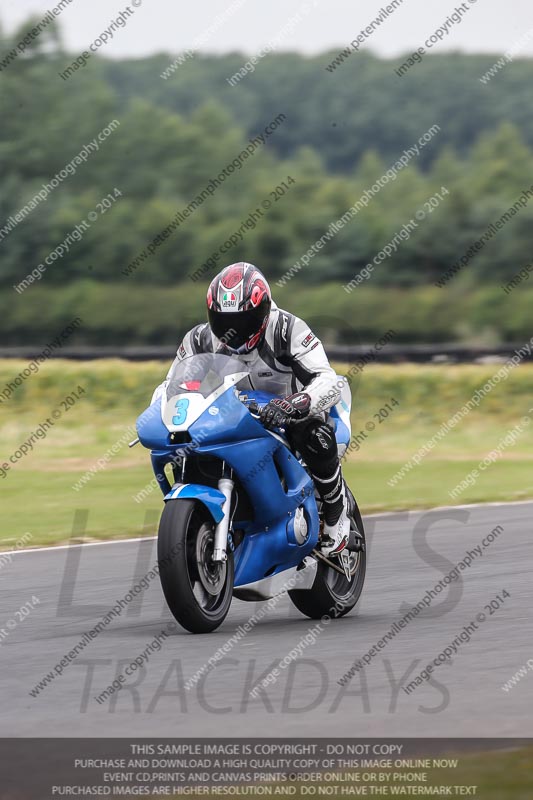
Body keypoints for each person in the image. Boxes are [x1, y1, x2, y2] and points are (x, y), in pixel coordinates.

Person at [161, 262, 355, 556]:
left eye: (244, 320)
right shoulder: (199, 339)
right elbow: (171, 385)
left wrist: (296, 404)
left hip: (290, 415)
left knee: (313, 434)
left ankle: (335, 512)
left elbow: (327, 378)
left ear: (263, 310)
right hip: (234, 417)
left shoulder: (288, 329)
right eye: (223, 320)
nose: (234, 331)